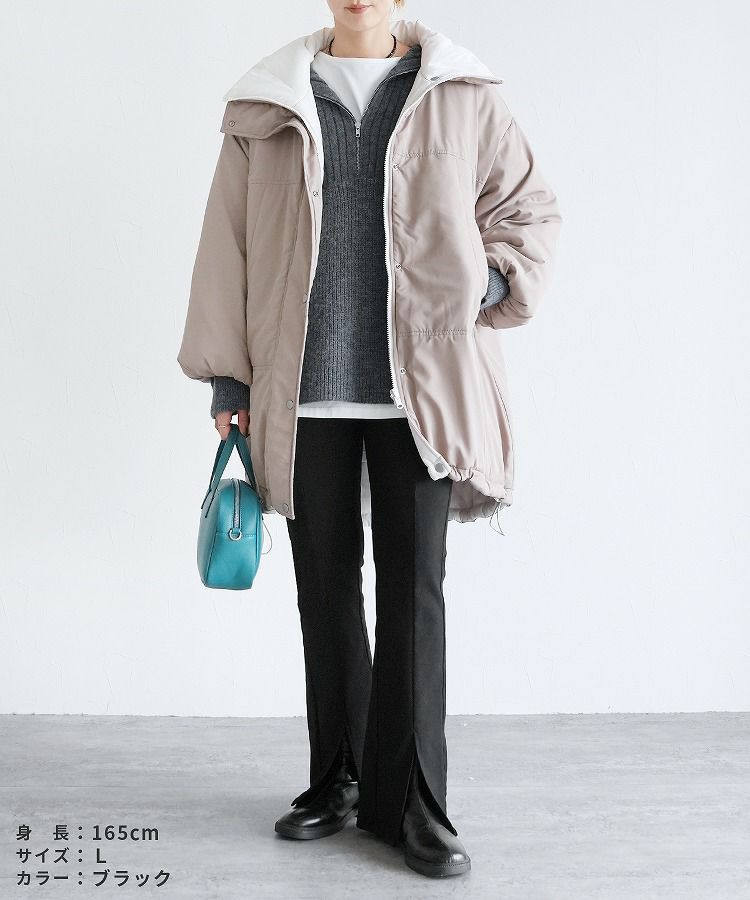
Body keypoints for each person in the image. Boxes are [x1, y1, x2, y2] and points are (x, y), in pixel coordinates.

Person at [177, 0, 562, 879]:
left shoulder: (460, 93)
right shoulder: (269, 101)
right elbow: (227, 244)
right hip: (303, 390)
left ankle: (415, 802)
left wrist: (486, 281)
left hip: (420, 390)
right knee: (324, 591)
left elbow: (529, 209)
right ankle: (338, 781)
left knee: (415, 593)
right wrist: (229, 381)